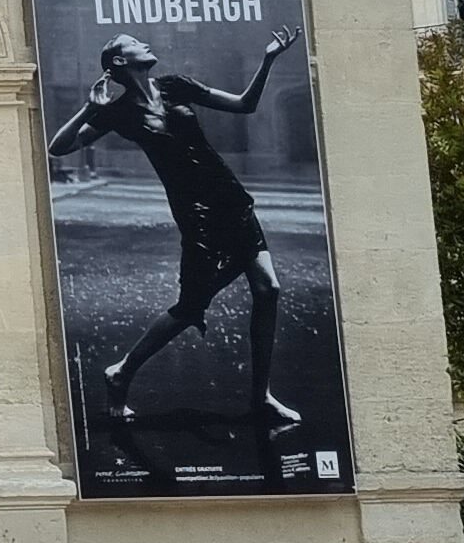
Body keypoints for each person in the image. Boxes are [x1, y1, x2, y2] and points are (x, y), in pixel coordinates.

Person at [51, 28, 301, 433]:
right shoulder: (117, 112)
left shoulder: (175, 86)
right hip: (197, 214)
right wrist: (87, 108)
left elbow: (245, 105)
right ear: (119, 61)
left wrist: (268, 59)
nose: (145, 44)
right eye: (134, 43)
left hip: (230, 199)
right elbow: (58, 148)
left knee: (268, 289)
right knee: (189, 309)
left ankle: (261, 396)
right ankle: (121, 372)